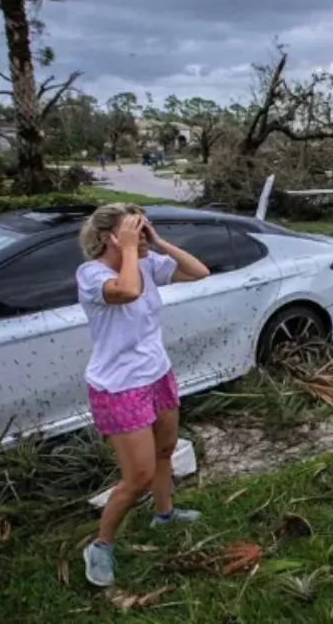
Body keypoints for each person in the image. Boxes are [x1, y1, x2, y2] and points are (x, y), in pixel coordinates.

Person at [76, 203, 210, 587]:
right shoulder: (91, 274)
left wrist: (156, 240)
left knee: (166, 451)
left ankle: (164, 513)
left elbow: (200, 271)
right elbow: (128, 291)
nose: (140, 233)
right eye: (131, 228)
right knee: (137, 476)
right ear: (108, 238)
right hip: (119, 387)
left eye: (141, 226)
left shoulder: (147, 263)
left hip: (157, 374)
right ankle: (100, 545)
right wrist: (132, 250)